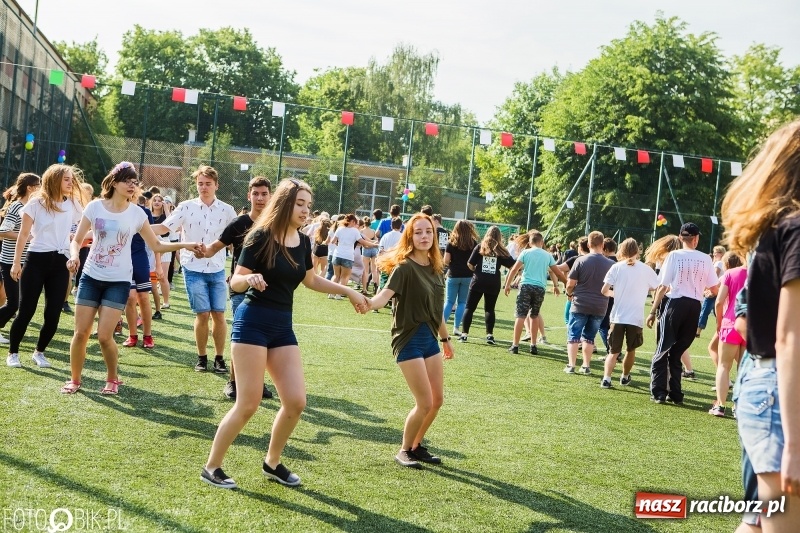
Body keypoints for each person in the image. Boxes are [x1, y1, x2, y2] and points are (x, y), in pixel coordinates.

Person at [201, 178, 368, 489]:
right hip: (251, 323)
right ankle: (212, 467)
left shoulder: (303, 242)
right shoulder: (260, 236)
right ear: (285, 204)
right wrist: (249, 280)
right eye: (299, 204)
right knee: (248, 404)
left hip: (282, 327)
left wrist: (347, 290)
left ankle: (272, 463)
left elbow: (311, 281)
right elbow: (235, 281)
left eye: (308, 204)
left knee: (295, 401)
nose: (306, 210)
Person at [721, 119, 800, 532]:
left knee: (756, 525)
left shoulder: (778, 227)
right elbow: (789, 338)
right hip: (777, 392)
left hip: (765, 386)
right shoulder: (796, 229)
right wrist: (796, 448)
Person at [61, 162, 201, 394]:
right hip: (90, 277)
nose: (132, 186)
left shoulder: (137, 213)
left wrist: (187, 244)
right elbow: (76, 240)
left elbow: (156, 244)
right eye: (128, 181)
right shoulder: (95, 207)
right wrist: (74, 256)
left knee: (105, 337)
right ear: (114, 182)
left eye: (135, 183)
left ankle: (112, 378)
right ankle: (75, 380)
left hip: (118, 281)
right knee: (81, 333)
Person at [368, 213, 454, 469]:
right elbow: (384, 296)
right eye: (418, 232)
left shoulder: (437, 268)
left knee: (437, 400)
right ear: (410, 236)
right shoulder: (404, 268)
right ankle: (404, 450)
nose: (424, 236)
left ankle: (416, 445)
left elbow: (435, 310)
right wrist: (368, 303)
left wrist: (445, 338)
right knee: (424, 402)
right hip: (408, 339)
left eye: (428, 231)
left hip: (430, 338)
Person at [152, 165, 237, 373]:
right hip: (192, 267)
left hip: (217, 268)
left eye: (208, 184)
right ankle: (202, 357)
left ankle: (219, 358)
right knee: (202, 314)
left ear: (216, 185)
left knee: (218, 314)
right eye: (200, 183)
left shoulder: (227, 210)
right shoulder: (186, 207)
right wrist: (135, 226)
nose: (204, 187)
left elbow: (236, 239)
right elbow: (164, 228)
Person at [198, 176, 273, 400]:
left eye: (264, 194)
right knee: (242, 336)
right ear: (248, 196)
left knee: (264, 338)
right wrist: (199, 249)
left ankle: (257, 383)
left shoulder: (276, 223)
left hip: (270, 289)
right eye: (256, 194)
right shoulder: (239, 224)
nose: (260, 198)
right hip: (241, 287)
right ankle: (233, 382)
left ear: (270, 196)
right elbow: (214, 247)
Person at [6, 164, 84, 369]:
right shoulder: (35, 204)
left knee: (53, 312)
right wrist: (16, 263)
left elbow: (84, 228)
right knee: (26, 310)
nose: (70, 183)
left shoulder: (74, 204)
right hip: (35, 261)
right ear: (55, 179)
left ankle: (39, 352)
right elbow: (23, 235)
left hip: (60, 263)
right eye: (66, 179)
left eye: (71, 179)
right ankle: (13, 352)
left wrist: (74, 252)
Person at [646, 222, 719, 404]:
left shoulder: (674, 256)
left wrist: (653, 311)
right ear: (696, 238)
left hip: (675, 303)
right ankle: (676, 394)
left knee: (663, 349)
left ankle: (659, 392)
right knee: (677, 352)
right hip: (695, 307)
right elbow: (715, 288)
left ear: (680, 237)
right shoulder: (706, 259)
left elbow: (663, 286)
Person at [599, 238, 659, 388]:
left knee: (613, 351)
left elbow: (604, 290)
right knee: (631, 349)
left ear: (622, 250)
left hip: (617, 316)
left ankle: (606, 378)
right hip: (635, 316)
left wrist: (616, 294)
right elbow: (657, 287)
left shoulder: (616, 267)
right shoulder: (646, 269)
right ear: (637, 251)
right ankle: (625, 376)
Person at [504, 230, 567, 355]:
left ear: (529, 242)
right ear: (542, 242)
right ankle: (533, 345)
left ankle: (515, 345)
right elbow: (557, 272)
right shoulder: (548, 255)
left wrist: (507, 285)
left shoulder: (525, 253)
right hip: (540, 288)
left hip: (526, 286)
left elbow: (514, 269)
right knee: (534, 315)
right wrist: (566, 284)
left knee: (520, 315)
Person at [564, 231, 614, 374]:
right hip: (600, 305)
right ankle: (586, 366)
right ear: (603, 245)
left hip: (580, 303)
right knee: (589, 337)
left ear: (588, 244)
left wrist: (569, 294)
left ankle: (571, 365)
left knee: (574, 335)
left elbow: (570, 283)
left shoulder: (580, 260)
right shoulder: (611, 264)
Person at [0, 173, 41, 347]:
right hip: (10, 261)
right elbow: (2, 232)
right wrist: (25, 237)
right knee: (13, 303)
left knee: (20, 303)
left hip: (26, 262)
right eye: (38, 185)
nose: (41, 188)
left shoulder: (34, 207)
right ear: (30, 188)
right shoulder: (17, 207)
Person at [460, 226, 515, 345]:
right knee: (489, 309)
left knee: (470, 307)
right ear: (500, 236)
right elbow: (513, 266)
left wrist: (476, 270)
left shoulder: (480, 247)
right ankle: (489, 335)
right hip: (493, 282)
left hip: (478, 281)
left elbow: (469, 263)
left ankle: (464, 334)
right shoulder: (501, 250)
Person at [709, 251, 745, 417]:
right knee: (743, 368)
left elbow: (719, 301)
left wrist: (719, 322)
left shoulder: (730, 274)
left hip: (730, 324)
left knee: (724, 366)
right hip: (750, 326)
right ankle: (739, 407)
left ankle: (720, 406)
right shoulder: (761, 273)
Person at [443, 220, 478, 336]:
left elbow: (446, 261)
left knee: (449, 302)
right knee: (462, 303)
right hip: (468, 276)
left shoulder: (451, 243)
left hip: (453, 275)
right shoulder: (473, 243)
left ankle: (440, 326)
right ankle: (456, 328)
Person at [330, 214, 377, 298]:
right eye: (355, 222)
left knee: (336, 275)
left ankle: (331, 293)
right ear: (352, 221)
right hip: (348, 256)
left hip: (337, 255)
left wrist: (340, 243)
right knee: (344, 277)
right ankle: (338, 294)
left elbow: (333, 241)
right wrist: (374, 245)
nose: (356, 225)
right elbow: (362, 241)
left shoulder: (340, 229)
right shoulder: (355, 231)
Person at [359, 216, 379, 294]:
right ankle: (376, 285)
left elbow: (362, 242)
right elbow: (376, 240)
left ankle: (365, 286)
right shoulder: (373, 231)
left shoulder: (361, 231)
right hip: (374, 249)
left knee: (366, 270)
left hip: (366, 249)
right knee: (374, 270)